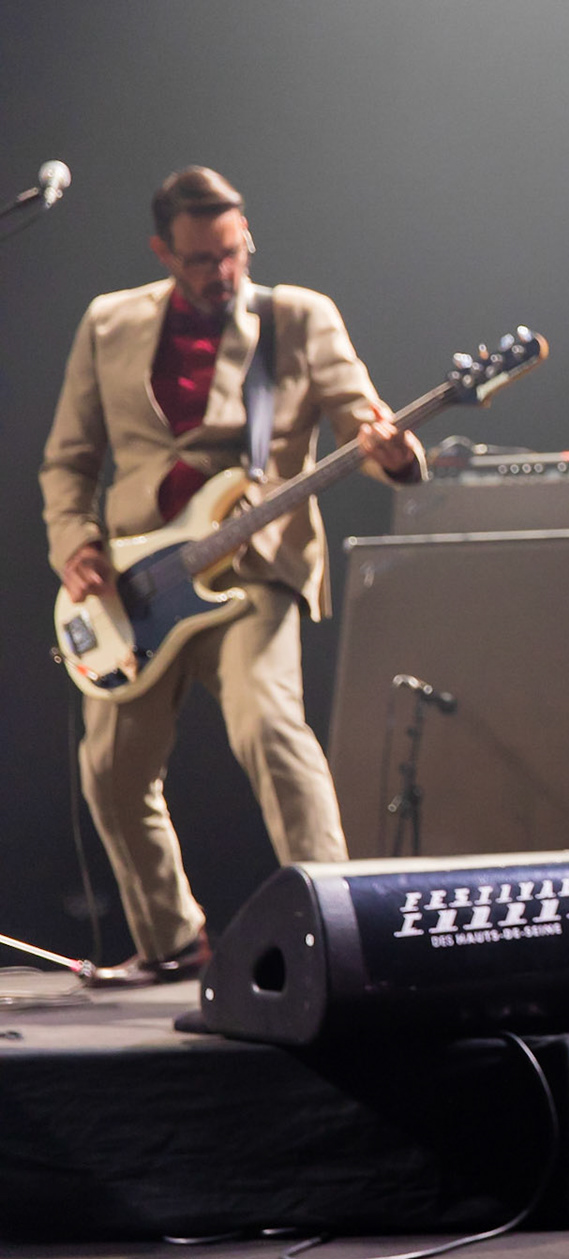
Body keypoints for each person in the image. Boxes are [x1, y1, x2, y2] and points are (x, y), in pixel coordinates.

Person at [40, 166, 425, 987]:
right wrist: (76, 545)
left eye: (233, 251)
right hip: (135, 583)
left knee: (266, 724)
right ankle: (173, 942)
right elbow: (69, 461)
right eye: (200, 260)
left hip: (254, 565)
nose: (222, 272)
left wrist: (389, 450)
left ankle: (339, 932)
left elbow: (363, 414)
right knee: (109, 770)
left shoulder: (297, 316)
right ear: (162, 252)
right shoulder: (109, 322)